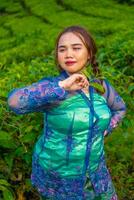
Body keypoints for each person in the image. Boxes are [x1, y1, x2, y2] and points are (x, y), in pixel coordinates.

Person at [8, 26, 126, 200]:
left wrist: (106, 128)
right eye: (62, 49)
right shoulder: (52, 88)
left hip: (96, 172)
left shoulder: (100, 86)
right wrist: (62, 86)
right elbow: (14, 103)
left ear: (89, 53)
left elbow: (120, 108)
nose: (68, 54)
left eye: (76, 48)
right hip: (59, 177)